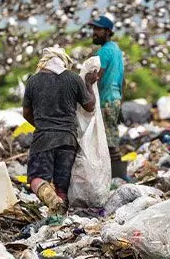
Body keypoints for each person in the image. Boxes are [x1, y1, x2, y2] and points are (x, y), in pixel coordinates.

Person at [22, 47, 99, 214]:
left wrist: (42, 125)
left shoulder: (33, 81)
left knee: (36, 178)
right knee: (62, 186)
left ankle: (51, 199)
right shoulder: (73, 78)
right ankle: (60, 217)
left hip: (43, 139)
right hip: (68, 139)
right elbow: (89, 106)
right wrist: (89, 83)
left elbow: (26, 113)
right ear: (64, 60)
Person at [88, 15, 126, 178]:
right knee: (110, 137)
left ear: (108, 31)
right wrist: (120, 103)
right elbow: (123, 80)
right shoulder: (116, 49)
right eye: (93, 28)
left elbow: (97, 77)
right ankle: (115, 176)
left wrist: (85, 95)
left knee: (109, 142)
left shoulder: (104, 52)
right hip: (114, 98)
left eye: (98, 29)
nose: (94, 32)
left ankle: (117, 177)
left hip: (106, 101)